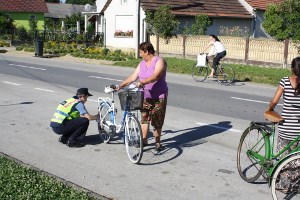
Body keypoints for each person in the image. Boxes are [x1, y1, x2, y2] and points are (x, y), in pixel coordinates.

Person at [117, 42, 168, 152]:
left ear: (147, 51)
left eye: (141, 52)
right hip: (144, 95)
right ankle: (144, 140)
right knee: (144, 118)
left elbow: (156, 76)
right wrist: (120, 86)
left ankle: (158, 142)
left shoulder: (159, 61)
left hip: (159, 96)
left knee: (157, 120)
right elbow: (133, 77)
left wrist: (143, 82)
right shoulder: (142, 63)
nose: (140, 54)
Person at [267, 57, 300, 192]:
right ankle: (294, 184)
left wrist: (270, 109)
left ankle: (283, 185)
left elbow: (274, 100)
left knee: (283, 156)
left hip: (285, 126)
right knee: (295, 159)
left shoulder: (285, 81)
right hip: (298, 130)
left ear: (292, 68)